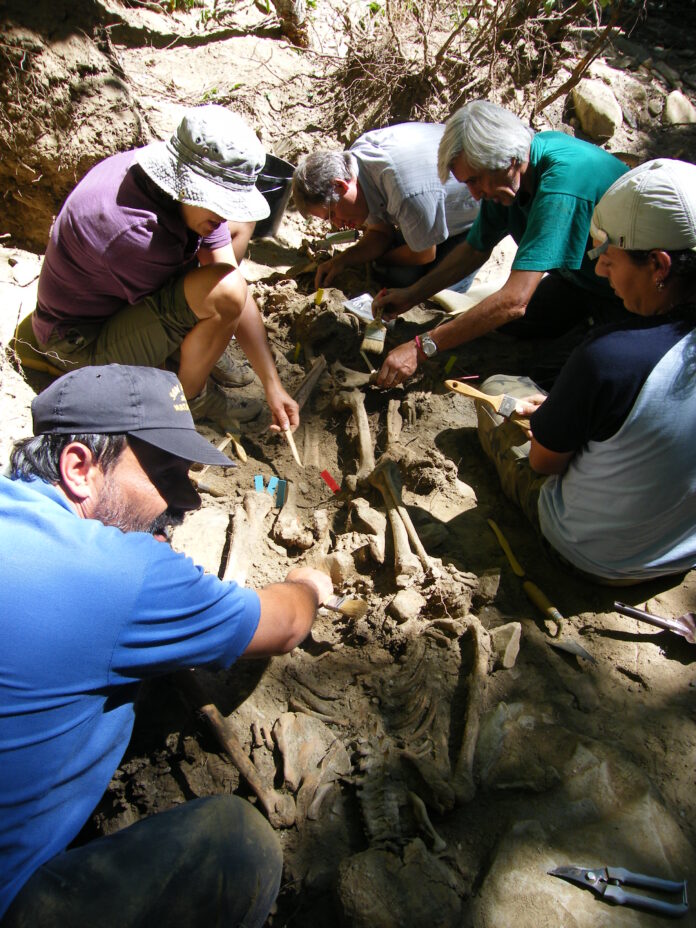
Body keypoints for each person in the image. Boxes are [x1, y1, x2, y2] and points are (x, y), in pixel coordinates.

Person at [0, 364, 334, 927]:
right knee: (235, 843)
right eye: (165, 472)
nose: (189, 499)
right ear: (79, 467)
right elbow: (285, 626)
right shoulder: (120, 575)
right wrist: (308, 583)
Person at [473, 158, 696, 584]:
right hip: (681, 552)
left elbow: (543, 464)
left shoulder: (609, 356)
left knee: (498, 388)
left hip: (594, 554)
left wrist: (554, 419)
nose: (598, 269)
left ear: (659, 266)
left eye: (609, 257)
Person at [24, 104, 298, 434]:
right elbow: (225, 292)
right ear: (188, 182)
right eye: (221, 201)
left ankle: (203, 352)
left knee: (240, 229)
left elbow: (226, 270)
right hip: (76, 343)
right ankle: (191, 399)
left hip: (102, 304)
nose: (224, 214)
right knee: (221, 297)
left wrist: (272, 382)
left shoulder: (169, 189)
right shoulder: (139, 234)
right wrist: (194, 357)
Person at [373, 100, 630, 389]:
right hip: (579, 281)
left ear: (508, 159)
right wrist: (412, 294)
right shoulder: (508, 178)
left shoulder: (560, 185)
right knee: (506, 328)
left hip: (630, 300)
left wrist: (421, 347)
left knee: (548, 375)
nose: (474, 194)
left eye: (474, 181)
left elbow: (514, 300)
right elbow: (474, 249)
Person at [292, 123, 479, 291]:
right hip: (431, 202)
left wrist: (379, 259)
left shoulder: (405, 194)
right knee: (397, 273)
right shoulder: (357, 166)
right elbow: (380, 232)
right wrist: (343, 260)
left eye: (332, 214)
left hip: (481, 203)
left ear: (340, 185)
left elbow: (424, 254)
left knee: (433, 294)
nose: (338, 225)